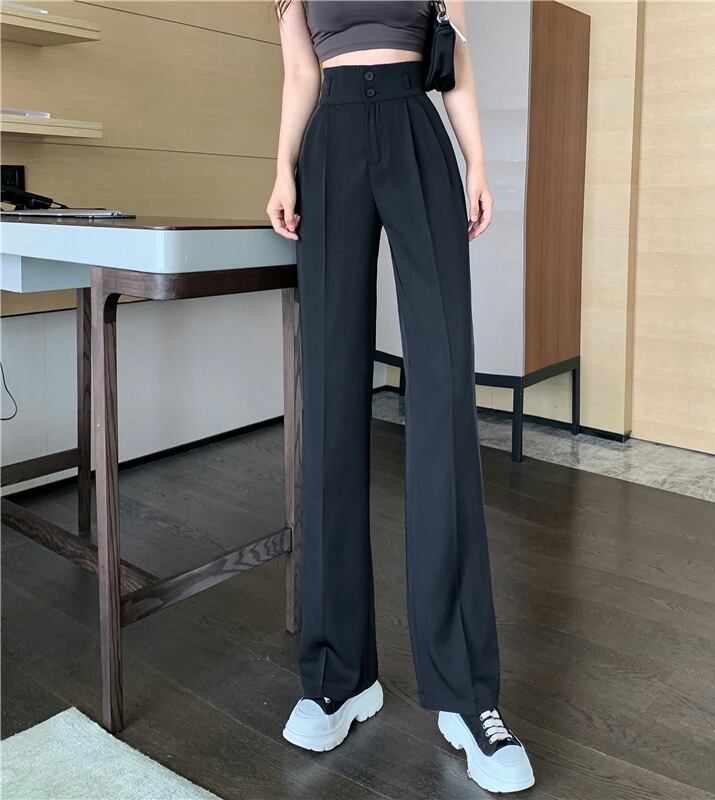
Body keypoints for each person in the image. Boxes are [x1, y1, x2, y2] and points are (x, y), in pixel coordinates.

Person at [267, 1, 534, 793]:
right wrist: (282, 166)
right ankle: (338, 676)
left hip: (418, 133)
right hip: (331, 141)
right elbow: (300, 70)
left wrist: (477, 159)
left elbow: (454, 56)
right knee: (329, 402)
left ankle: (467, 695)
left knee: (445, 396)